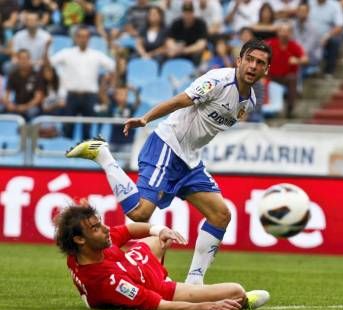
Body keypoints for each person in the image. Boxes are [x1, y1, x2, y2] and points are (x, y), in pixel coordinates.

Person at [66, 39, 271, 286]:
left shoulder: (248, 103)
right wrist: (145, 118)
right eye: (249, 59)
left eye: (260, 63)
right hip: (168, 144)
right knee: (140, 213)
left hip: (190, 160)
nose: (253, 66)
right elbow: (179, 101)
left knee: (221, 215)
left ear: (266, 70)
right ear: (239, 60)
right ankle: (103, 155)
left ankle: (195, 281)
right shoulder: (217, 81)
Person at [56, 202, 269, 310]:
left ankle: (193, 286)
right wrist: (207, 307)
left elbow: (129, 230)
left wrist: (159, 230)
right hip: (159, 288)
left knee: (158, 238)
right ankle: (240, 302)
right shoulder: (108, 283)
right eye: (96, 228)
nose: (105, 229)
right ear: (79, 240)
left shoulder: (86, 251)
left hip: (134, 266)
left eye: (100, 223)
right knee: (236, 291)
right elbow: (157, 304)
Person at [50, 26, 116, 139]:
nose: (83, 39)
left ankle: (85, 155)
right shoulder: (66, 53)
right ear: (76, 38)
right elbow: (50, 64)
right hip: (71, 95)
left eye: (85, 37)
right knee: (68, 128)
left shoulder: (96, 54)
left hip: (90, 96)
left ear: (89, 39)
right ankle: (67, 154)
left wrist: (106, 83)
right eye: (80, 36)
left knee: (88, 129)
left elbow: (112, 67)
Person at [266, 22, 308, 118]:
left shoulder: (294, 45)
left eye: (287, 31)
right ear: (278, 32)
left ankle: (290, 109)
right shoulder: (271, 43)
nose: (284, 33)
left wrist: (297, 60)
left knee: (293, 78)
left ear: (290, 33)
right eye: (282, 31)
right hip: (270, 75)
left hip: (286, 77)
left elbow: (305, 59)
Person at [4, 49, 44, 120]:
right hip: (17, 105)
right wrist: (9, 104)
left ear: (29, 60)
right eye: (21, 59)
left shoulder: (37, 75)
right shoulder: (13, 75)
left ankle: (30, 130)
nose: (23, 61)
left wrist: (25, 107)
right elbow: (7, 94)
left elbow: (38, 97)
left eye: (26, 58)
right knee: (4, 109)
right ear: (18, 60)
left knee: (32, 112)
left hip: (32, 106)